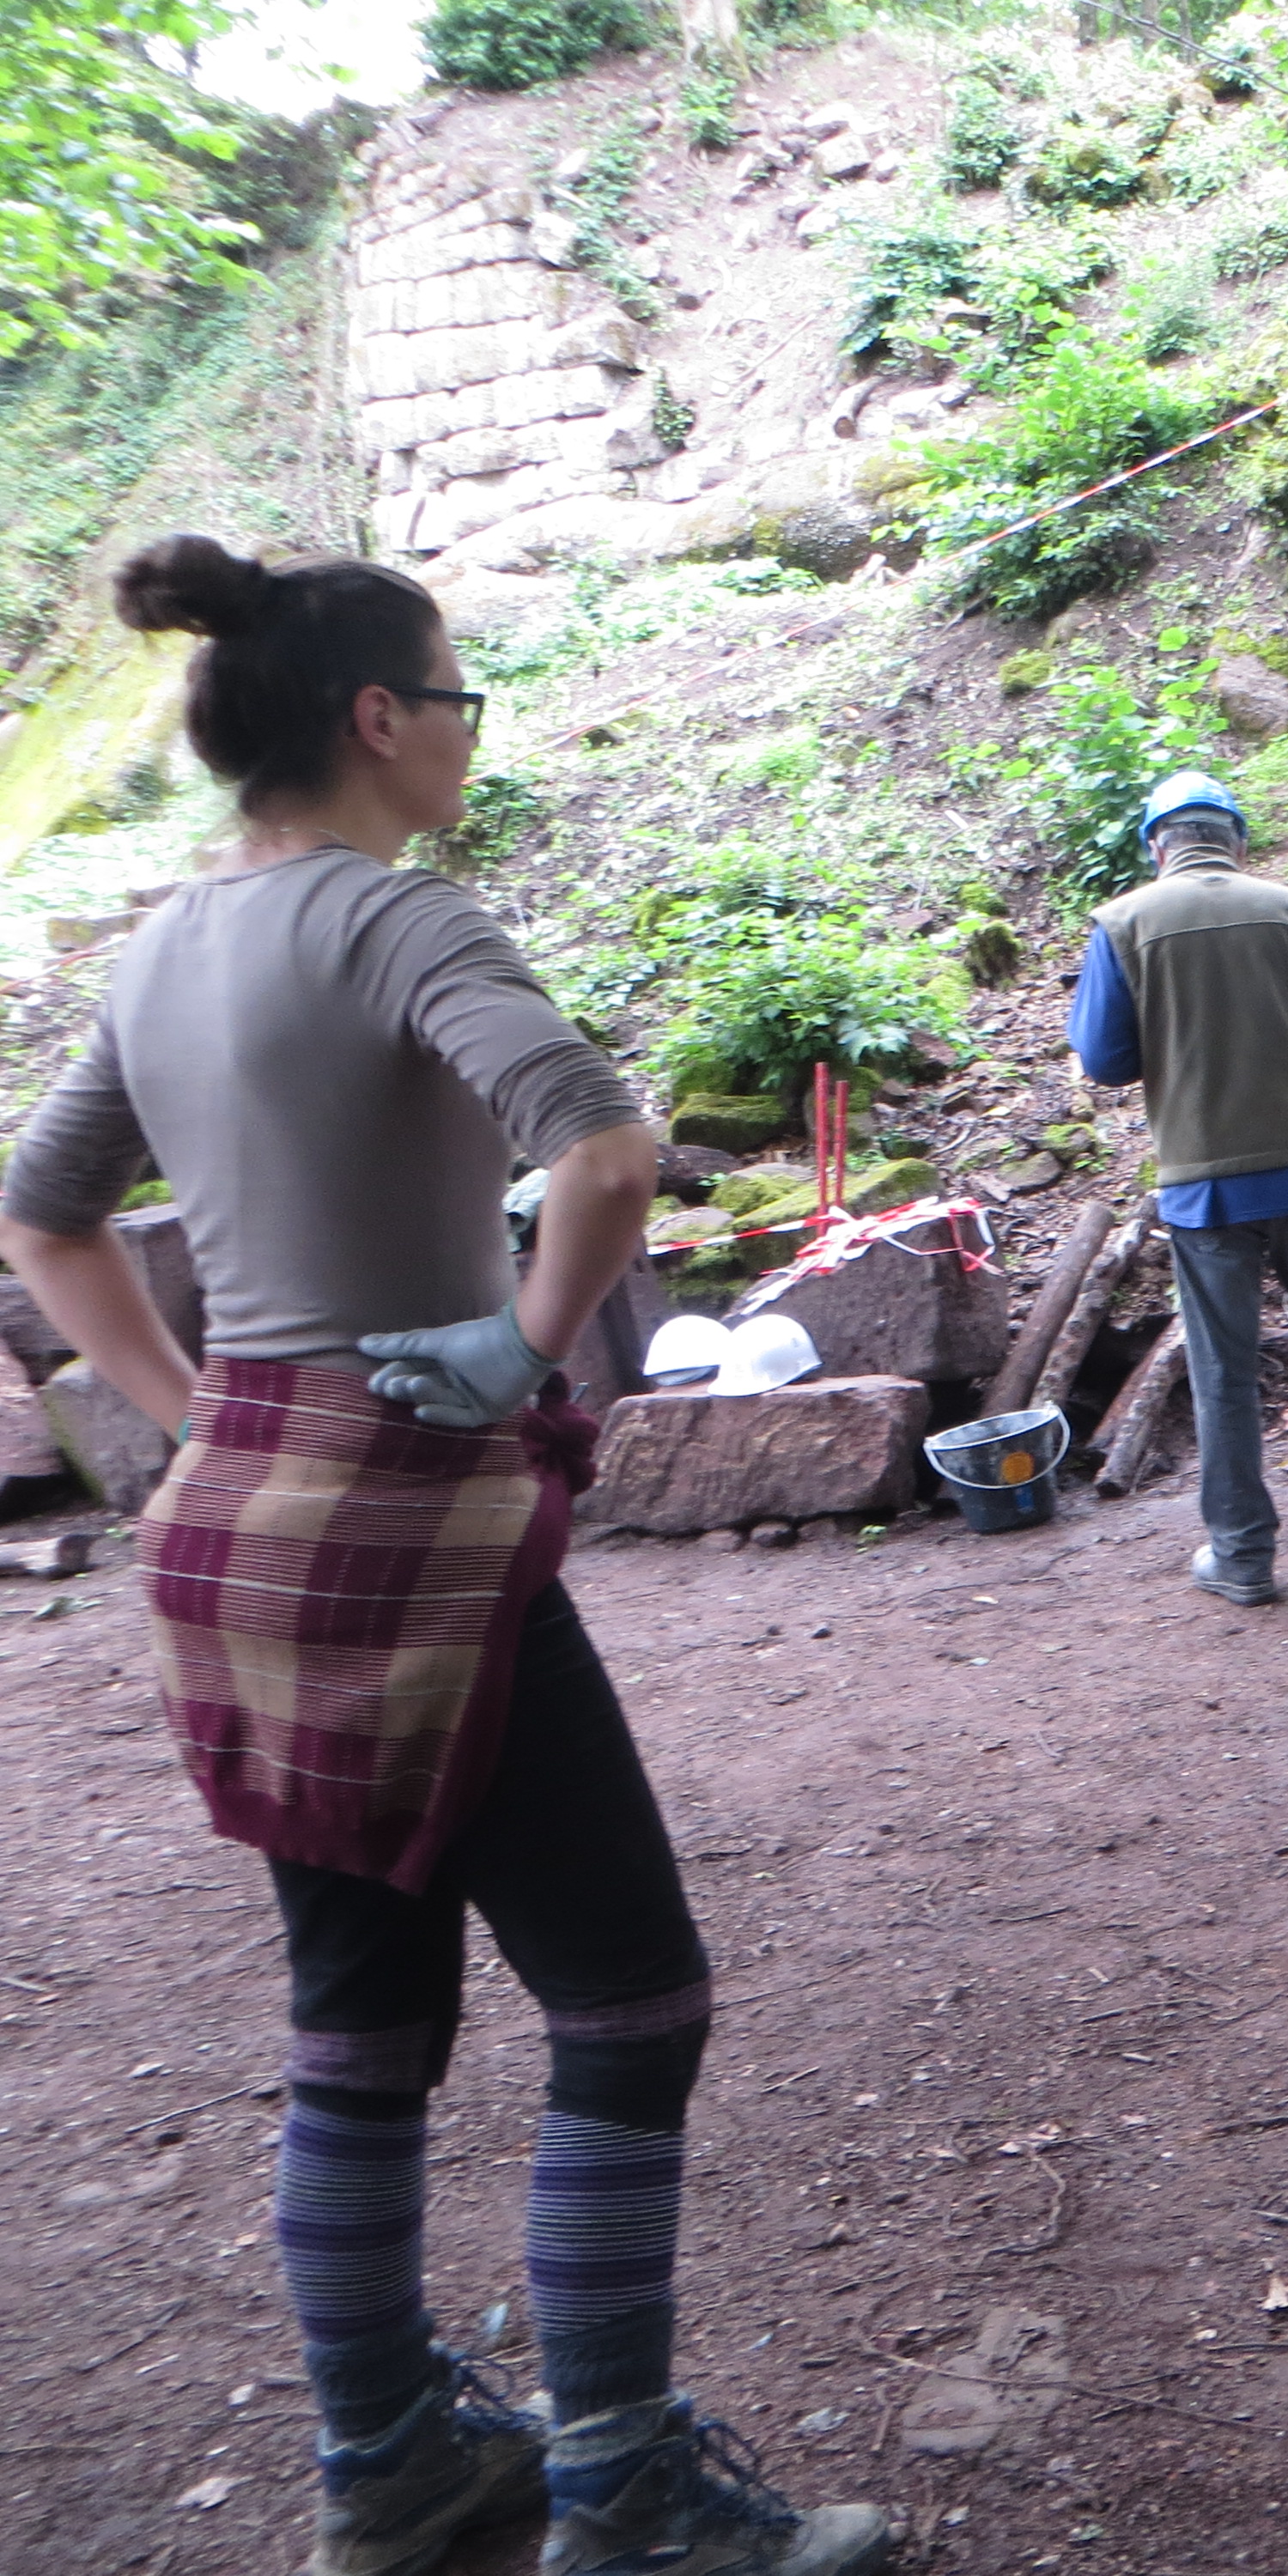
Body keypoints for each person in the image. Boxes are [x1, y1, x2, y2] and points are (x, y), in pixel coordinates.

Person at [0, 538, 886, 2576]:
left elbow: (44, 1220)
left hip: (239, 1539)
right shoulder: (397, 919)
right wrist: (519, 1337)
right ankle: (625, 2492)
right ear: (378, 717)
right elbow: (606, 1147)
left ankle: (387, 2462)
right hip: (415, 1534)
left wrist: (191, 1408)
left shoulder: (160, 949)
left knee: (359, 2026)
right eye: (460, 700)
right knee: (632, 2004)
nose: (473, 738)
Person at [1066, 771, 1288, 1605]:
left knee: (1222, 1370)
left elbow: (1105, 1061)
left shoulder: (1122, 924)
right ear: (1235, 839)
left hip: (1204, 1183)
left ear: (1156, 847)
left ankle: (1240, 1556)